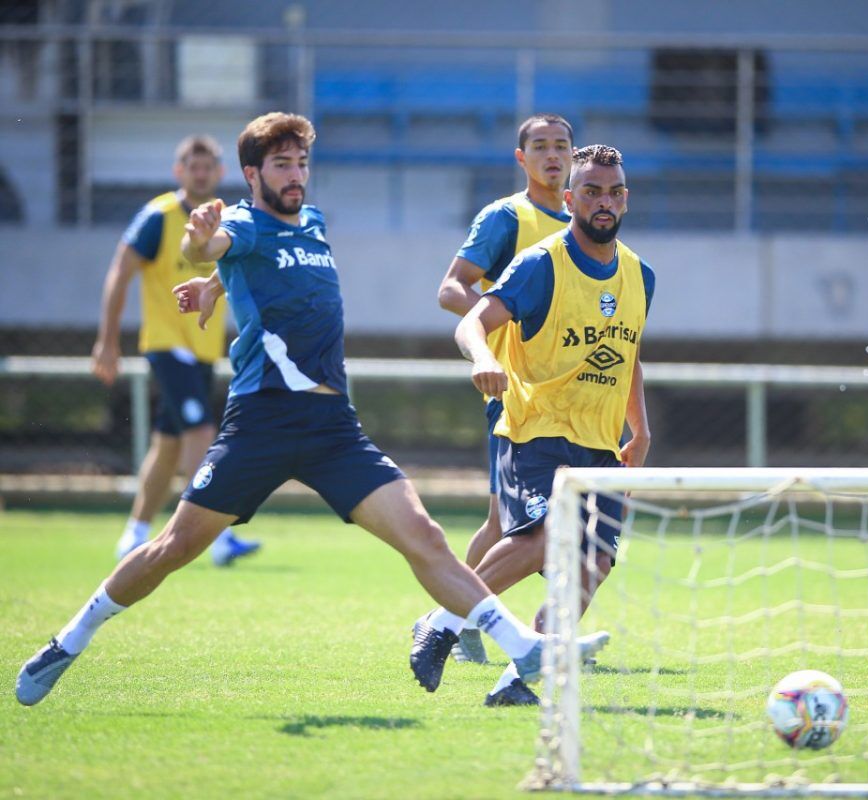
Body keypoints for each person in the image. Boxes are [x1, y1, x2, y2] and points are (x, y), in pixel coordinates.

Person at [15, 112, 608, 708]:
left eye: (301, 163)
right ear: (252, 173)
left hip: (333, 430)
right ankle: (69, 640)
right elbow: (216, 245)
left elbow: (261, 262)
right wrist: (201, 247)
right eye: (281, 165)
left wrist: (215, 289)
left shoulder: (313, 221)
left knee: (424, 535)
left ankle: (518, 644)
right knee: (173, 548)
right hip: (262, 423)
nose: (296, 175)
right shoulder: (241, 222)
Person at [410, 144, 653, 706]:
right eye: (590, 190)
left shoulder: (641, 274)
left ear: (626, 200)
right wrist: (484, 357)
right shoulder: (541, 262)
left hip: (599, 442)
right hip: (536, 430)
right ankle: (443, 622)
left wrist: (639, 431)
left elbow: (628, 352)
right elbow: (472, 320)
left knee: (595, 561)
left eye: (613, 192)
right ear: (569, 198)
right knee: (542, 538)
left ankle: (515, 681)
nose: (603, 202)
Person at [435, 113, 574, 664]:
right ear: (521, 159)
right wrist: (503, 332)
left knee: (509, 521)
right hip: (516, 394)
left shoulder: (584, 218)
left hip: (571, 397)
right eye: (539, 147)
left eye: (561, 146)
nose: (552, 155)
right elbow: (451, 290)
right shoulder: (506, 217)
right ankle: (455, 622)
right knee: (509, 521)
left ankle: (462, 620)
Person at [91, 134, 260, 567]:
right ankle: (216, 540)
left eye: (208, 167)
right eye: (192, 166)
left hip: (203, 350)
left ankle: (134, 535)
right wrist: (107, 340)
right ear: (178, 171)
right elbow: (120, 271)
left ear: (220, 174)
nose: (200, 173)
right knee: (202, 433)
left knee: (167, 446)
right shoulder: (157, 217)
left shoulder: (225, 220)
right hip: (168, 346)